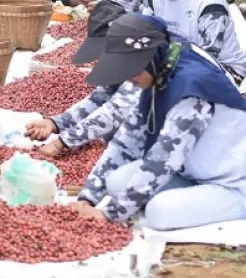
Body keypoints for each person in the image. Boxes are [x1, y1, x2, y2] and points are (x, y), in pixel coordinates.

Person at [70, 13, 246, 231]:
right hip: (191, 171)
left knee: (158, 212)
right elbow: (127, 142)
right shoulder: (160, 72)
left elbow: (162, 160)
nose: (127, 75)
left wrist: (109, 214)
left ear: (151, 56)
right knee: (115, 183)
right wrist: (87, 197)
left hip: (231, 182)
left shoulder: (191, 90)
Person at [25, 0, 141, 157]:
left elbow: (116, 111)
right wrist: (55, 123)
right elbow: (98, 99)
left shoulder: (144, 64)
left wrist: (62, 142)